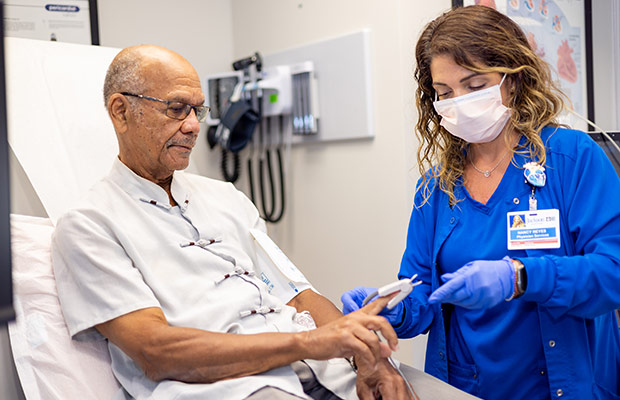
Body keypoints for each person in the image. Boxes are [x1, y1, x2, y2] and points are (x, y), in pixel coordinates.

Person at [51, 44, 477, 400]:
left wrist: (367, 357)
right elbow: (155, 351)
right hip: (229, 388)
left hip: (319, 369)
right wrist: (312, 343)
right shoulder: (89, 225)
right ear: (121, 112)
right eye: (177, 109)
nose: (195, 126)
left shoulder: (224, 197)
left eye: (198, 109)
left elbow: (300, 295)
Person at [342, 5, 620, 400]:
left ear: (513, 78)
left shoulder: (571, 158)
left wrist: (520, 278)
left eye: (474, 86)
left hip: (560, 386)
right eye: (444, 93)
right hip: (466, 388)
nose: (459, 102)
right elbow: (421, 292)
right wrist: (391, 309)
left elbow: (613, 273)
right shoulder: (436, 186)